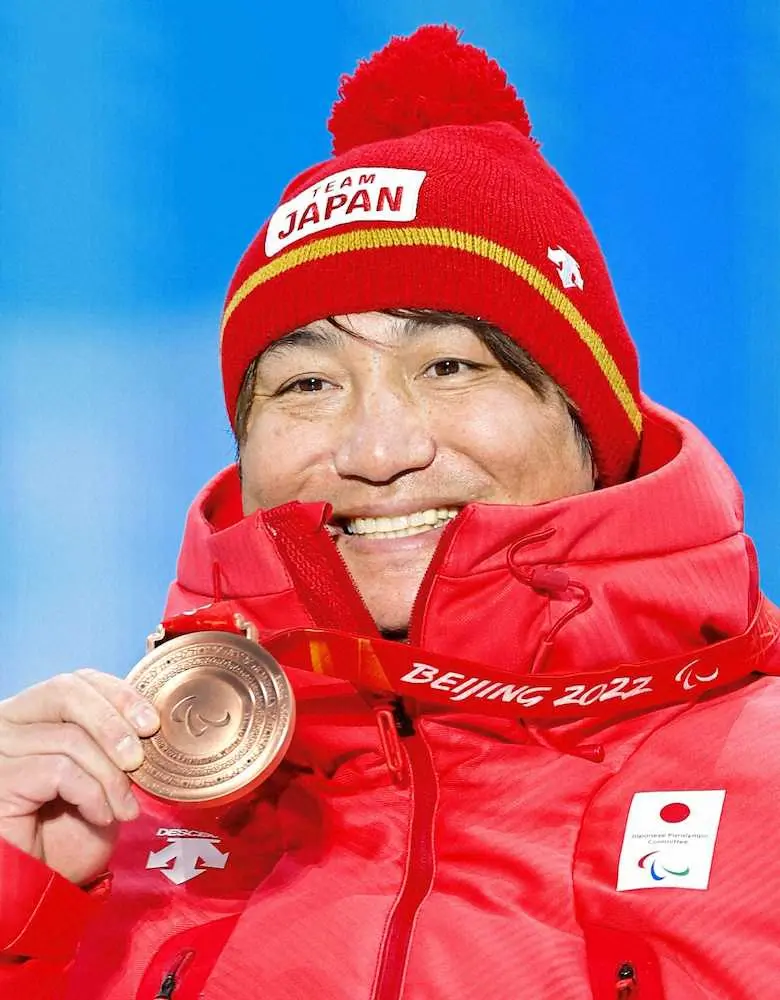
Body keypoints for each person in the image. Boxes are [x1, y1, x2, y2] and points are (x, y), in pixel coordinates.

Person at [0, 24, 778, 1000]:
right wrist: (19, 916)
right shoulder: (93, 819)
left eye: (450, 366)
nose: (376, 451)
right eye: (307, 384)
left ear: (591, 425)